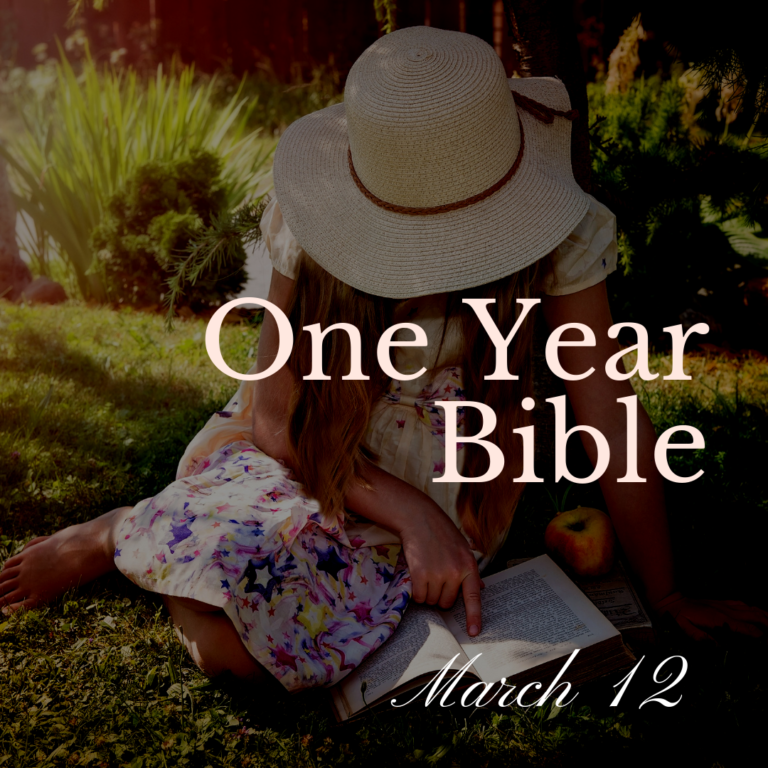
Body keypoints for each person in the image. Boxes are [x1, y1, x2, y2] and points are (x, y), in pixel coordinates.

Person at [1, 27, 766, 691]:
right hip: (313, 455)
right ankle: (127, 530)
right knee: (233, 603)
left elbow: (612, 418)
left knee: (239, 654)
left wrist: (664, 597)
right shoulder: (309, 225)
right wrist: (408, 514)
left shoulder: (562, 236)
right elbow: (275, 418)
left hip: (453, 480)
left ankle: (159, 541)